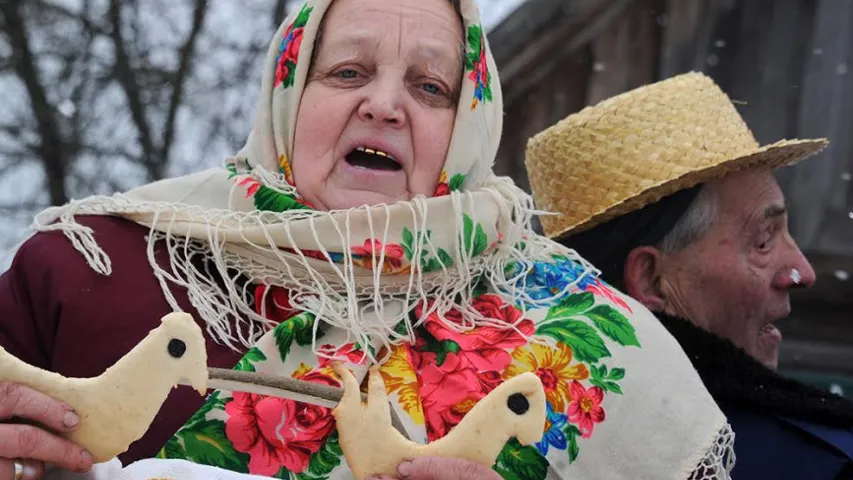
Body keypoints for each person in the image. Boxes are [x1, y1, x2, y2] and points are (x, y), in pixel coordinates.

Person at [1, 3, 732, 479]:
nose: (383, 105)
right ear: (287, 97)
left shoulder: (580, 328)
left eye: (430, 88)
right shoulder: (89, 267)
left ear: (468, 126)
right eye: (346, 72)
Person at [525, 71, 853, 479]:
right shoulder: (816, 463)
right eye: (764, 240)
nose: (802, 272)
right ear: (651, 280)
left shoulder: (530, 450)